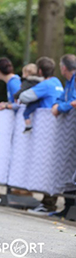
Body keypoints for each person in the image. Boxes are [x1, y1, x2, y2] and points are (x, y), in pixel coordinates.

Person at [19, 56, 64, 215]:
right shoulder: (58, 82)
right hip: (58, 128)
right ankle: (49, 202)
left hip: (46, 130)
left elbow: (24, 97)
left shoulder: (45, 84)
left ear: (39, 71)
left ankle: (48, 204)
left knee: (47, 166)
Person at [49, 54, 76, 218]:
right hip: (69, 132)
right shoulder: (69, 81)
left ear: (63, 67)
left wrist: (60, 107)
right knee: (68, 165)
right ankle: (68, 207)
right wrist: (57, 105)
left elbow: (73, 101)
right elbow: (63, 99)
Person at [13, 63, 44, 133]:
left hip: (32, 102)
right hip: (40, 101)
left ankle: (28, 126)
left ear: (27, 73)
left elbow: (22, 90)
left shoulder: (27, 82)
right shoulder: (40, 81)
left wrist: (16, 96)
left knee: (26, 113)